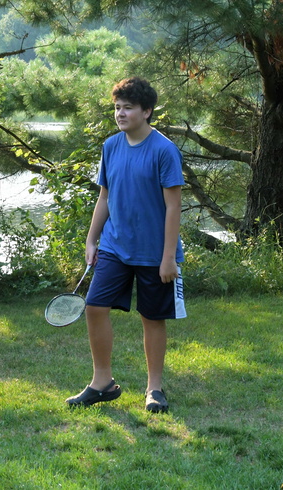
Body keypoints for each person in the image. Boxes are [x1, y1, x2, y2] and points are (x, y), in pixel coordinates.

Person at [66, 77, 186, 413]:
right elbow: (105, 196)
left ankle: (155, 389)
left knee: (151, 317)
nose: (121, 113)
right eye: (117, 107)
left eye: (128, 108)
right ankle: (102, 382)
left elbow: (174, 207)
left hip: (154, 252)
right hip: (115, 247)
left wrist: (168, 258)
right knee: (94, 306)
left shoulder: (164, 150)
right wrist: (92, 240)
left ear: (146, 111)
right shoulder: (110, 147)